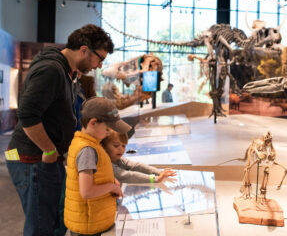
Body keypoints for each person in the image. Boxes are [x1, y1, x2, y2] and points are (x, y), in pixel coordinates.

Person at [5, 24, 114, 236]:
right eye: (99, 59)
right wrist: (48, 150)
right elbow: (27, 115)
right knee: (40, 223)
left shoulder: (66, 69)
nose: (100, 66)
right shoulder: (51, 70)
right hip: (29, 158)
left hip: (42, 158)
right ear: (84, 50)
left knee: (53, 217)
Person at [64, 97, 131, 236]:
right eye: (107, 129)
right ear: (93, 123)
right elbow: (86, 191)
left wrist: (111, 182)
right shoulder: (87, 150)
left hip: (93, 221)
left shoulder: (86, 143)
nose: (108, 134)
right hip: (88, 226)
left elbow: (96, 176)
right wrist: (112, 187)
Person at [101, 130, 176, 183]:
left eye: (123, 146)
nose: (121, 149)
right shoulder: (106, 164)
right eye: (116, 146)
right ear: (104, 146)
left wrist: (159, 172)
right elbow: (127, 176)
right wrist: (155, 179)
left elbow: (136, 166)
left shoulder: (117, 158)